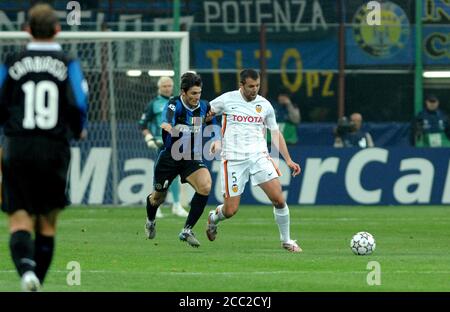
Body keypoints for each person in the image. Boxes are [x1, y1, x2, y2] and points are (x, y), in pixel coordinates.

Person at [0, 4, 88, 291]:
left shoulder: (11, 62)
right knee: (47, 224)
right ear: (57, 30)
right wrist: (78, 129)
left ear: (26, 30)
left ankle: (26, 273)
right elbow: (78, 103)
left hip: (18, 146)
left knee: (20, 219)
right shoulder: (68, 62)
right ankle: (36, 278)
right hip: (54, 148)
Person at [206, 69, 302, 253]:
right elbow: (202, 114)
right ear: (241, 85)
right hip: (233, 159)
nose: (254, 90)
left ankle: (287, 240)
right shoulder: (226, 99)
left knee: (279, 200)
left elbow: (275, 133)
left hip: (259, 156)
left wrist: (288, 160)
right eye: (251, 86)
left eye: (257, 86)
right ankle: (213, 218)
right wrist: (215, 138)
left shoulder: (265, 105)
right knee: (230, 210)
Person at [144, 72, 219, 248]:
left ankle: (187, 230)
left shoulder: (204, 105)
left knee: (205, 185)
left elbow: (213, 122)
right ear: (183, 92)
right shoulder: (173, 104)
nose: (197, 97)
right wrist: (173, 129)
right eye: (193, 93)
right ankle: (150, 220)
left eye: (199, 93)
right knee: (157, 198)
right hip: (169, 156)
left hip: (190, 157)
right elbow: (166, 122)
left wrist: (216, 139)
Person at [139, 76, 189, 218]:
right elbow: (142, 124)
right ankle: (156, 204)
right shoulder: (153, 104)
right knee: (161, 173)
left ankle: (176, 204)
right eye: (164, 86)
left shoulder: (177, 103)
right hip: (160, 143)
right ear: (159, 88)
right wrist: (148, 136)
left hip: (176, 142)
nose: (167, 88)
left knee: (174, 174)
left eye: (169, 86)